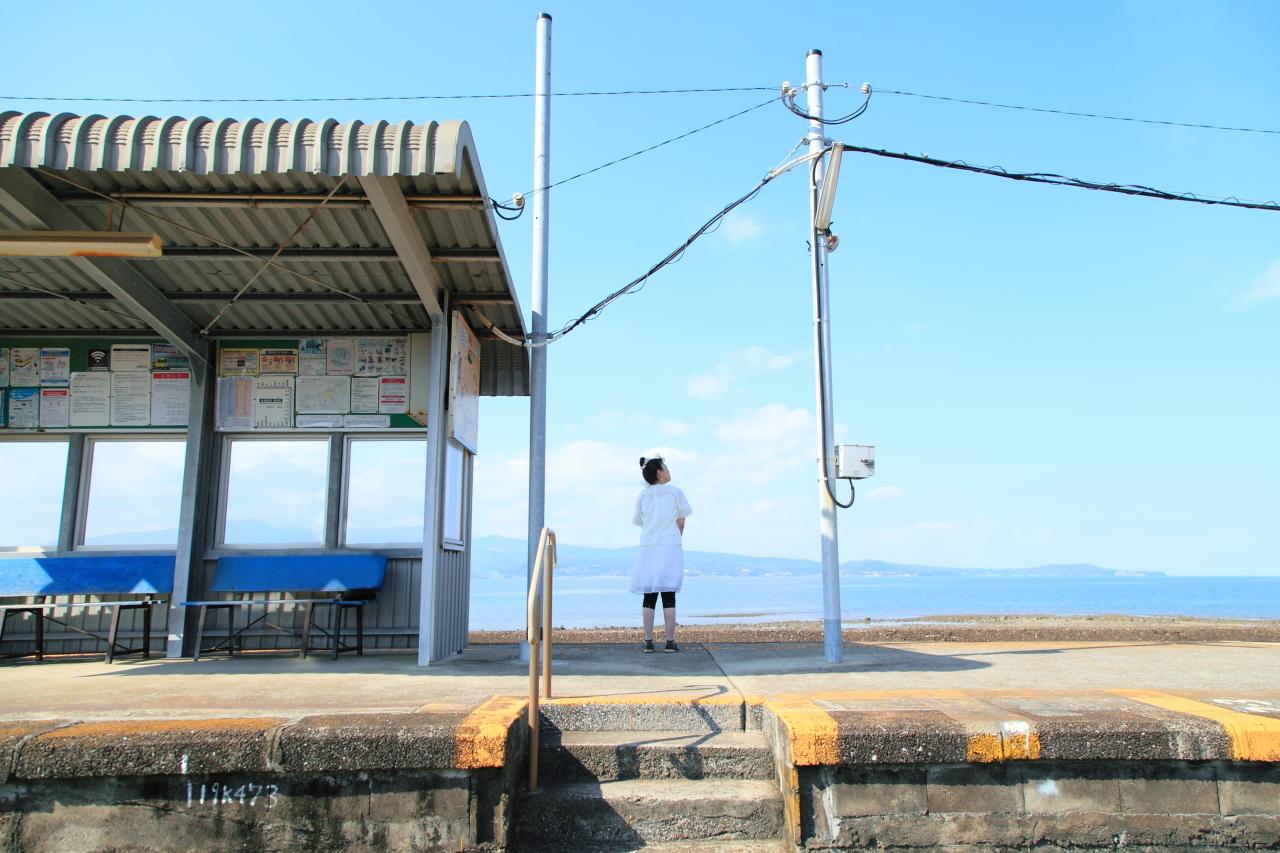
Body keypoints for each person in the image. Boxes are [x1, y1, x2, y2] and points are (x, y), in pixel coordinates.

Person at [630, 456, 692, 653]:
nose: (668, 470)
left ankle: (648, 641)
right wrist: (673, 536)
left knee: (649, 595)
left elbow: (639, 521)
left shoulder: (642, 495)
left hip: (648, 546)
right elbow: (681, 522)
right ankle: (670, 642)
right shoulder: (675, 493)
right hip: (669, 545)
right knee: (668, 594)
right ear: (659, 472)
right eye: (666, 467)